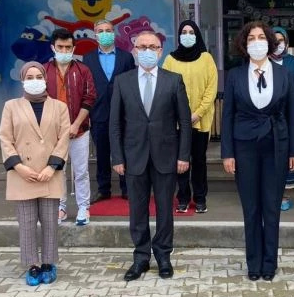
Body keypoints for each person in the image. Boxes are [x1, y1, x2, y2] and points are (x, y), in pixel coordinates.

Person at [221, 21, 294, 281]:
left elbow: (291, 113)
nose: (256, 42)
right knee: (251, 208)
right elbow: (227, 116)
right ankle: (253, 264)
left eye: (261, 37)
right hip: (244, 146)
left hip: (276, 145)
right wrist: (227, 153)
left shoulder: (283, 74)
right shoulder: (235, 75)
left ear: (269, 42)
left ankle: (269, 263)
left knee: (271, 207)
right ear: (244, 45)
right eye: (251, 38)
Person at [110, 31, 191, 281]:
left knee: (165, 209)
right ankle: (141, 257)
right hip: (133, 156)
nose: (147, 51)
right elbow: (115, 123)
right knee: (137, 209)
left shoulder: (173, 80)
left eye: (153, 47)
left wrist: (183, 155)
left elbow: (184, 122)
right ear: (134, 50)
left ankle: (163, 256)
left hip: (166, 155)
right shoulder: (122, 81)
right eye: (142, 46)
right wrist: (117, 157)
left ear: (160, 51)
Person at [0, 61, 71, 286]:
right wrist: (19, 167)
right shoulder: (11, 106)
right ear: (22, 80)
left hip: (50, 173)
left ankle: (49, 263)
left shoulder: (59, 107)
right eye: (29, 78)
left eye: (38, 77)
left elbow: (64, 138)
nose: (34, 81)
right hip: (22, 174)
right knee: (27, 223)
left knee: (50, 222)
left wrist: (51, 167)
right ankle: (32, 265)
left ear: (45, 79)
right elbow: (5, 139)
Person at [162, 20, 218, 214]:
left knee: (199, 161)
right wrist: (181, 116)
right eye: (184, 32)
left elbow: (211, 89)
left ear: (197, 35)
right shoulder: (170, 60)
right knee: (180, 161)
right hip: (177, 122)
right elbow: (164, 88)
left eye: (191, 32)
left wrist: (198, 113)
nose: (187, 35)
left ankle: (200, 198)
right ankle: (183, 197)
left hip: (200, 121)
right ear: (179, 36)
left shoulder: (206, 58)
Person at [43, 28, 97, 226]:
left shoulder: (83, 70)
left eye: (68, 47)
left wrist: (75, 124)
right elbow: (40, 100)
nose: (64, 51)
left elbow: (89, 98)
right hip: (53, 132)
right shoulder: (43, 71)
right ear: (53, 47)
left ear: (73, 48)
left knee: (81, 171)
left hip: (79, 130)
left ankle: (83, 207)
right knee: (58, 170)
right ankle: (61, 207)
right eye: (60, 47)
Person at [82, 19, 135, 202]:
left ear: (114, 33)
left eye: (108, 30)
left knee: (124, 151)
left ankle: (126, 188)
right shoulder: (88, 58)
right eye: (101, 31)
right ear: (95, 34)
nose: (105, 33)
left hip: (123, 113)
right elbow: (86, 87)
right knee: (102, 153)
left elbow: (132, 84)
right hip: (99, 113)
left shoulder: (126, 57)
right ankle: (103, 189)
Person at [270, 27, 294, 211]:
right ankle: (269, 194)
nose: (278, 44)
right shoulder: (263, 61)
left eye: (281, 40)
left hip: (288, 116)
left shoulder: (293, 62)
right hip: (268, 117)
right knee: (269, 155)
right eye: (275, 40)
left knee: (286, 155)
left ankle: (283, 194)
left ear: (287, 43)